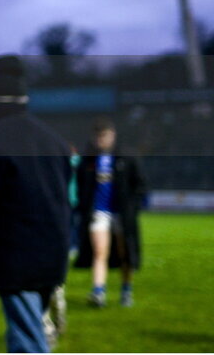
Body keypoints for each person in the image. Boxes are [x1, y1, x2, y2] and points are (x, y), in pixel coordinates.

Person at [0, 56, 71, 353]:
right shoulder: (54, 141)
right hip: (52, 256)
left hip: (16, 259)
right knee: (27, 334)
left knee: (27, 342)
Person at [73, 118, 147, 308]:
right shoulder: (88, 159)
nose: (100, 140)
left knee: (125, 253)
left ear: (112, 135)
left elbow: (140, 185)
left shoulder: (127, 156)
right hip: (99, 212)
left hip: (122, 214)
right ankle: (98, 292)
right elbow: (81, 185)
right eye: (97, 137)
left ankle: (126, 290)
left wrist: (133, 208)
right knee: (99, 251)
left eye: (103, 136)